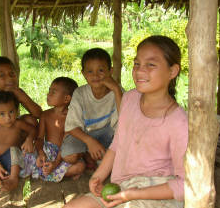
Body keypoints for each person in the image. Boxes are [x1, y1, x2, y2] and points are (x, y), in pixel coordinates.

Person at [64, 35, 188, 208]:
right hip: (123, 188)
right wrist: (98, 176)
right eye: (137, 64)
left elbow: (186, 185)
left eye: (151, 65)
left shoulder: (178, 121)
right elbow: (118, 143)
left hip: (158, 195)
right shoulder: (130, 99)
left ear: (172, 71)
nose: (139, 71)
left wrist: (133, 194)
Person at [60, 48, 123, 170]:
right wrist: (90, 141)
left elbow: (125, 122)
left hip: (108, 134)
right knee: (69, 156)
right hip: (84, 134)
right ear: (83, 74)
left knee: (121, 157)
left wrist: (116, 90)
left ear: (110, 71)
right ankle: (90, 153)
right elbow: (72, 127)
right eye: (90, 71)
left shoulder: (118, 91)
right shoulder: (80, 93)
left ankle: (93, 155)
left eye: (101, 70)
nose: (95, 75)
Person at [21, 77, 86, 182]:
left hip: (63, 154)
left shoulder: (71, 117)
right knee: (26, 154)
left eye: (53, 92)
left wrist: (56, 163)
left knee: (80, 166)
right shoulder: (45, 115)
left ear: (66, 99)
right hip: (47, 151)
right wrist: (41, 152)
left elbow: (66, 142)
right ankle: (52, 173)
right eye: (49, 91)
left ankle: (46, 173)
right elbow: (40, 138)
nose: (48, 94)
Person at [0, 90, 36, 191]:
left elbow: (33, 130)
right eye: (2, 114)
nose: (8, 118)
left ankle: (13, 179)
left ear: (16, 111)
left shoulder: (18, 123)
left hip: (13, 163)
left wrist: (29, 139)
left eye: (11, 112)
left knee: (14, 150)